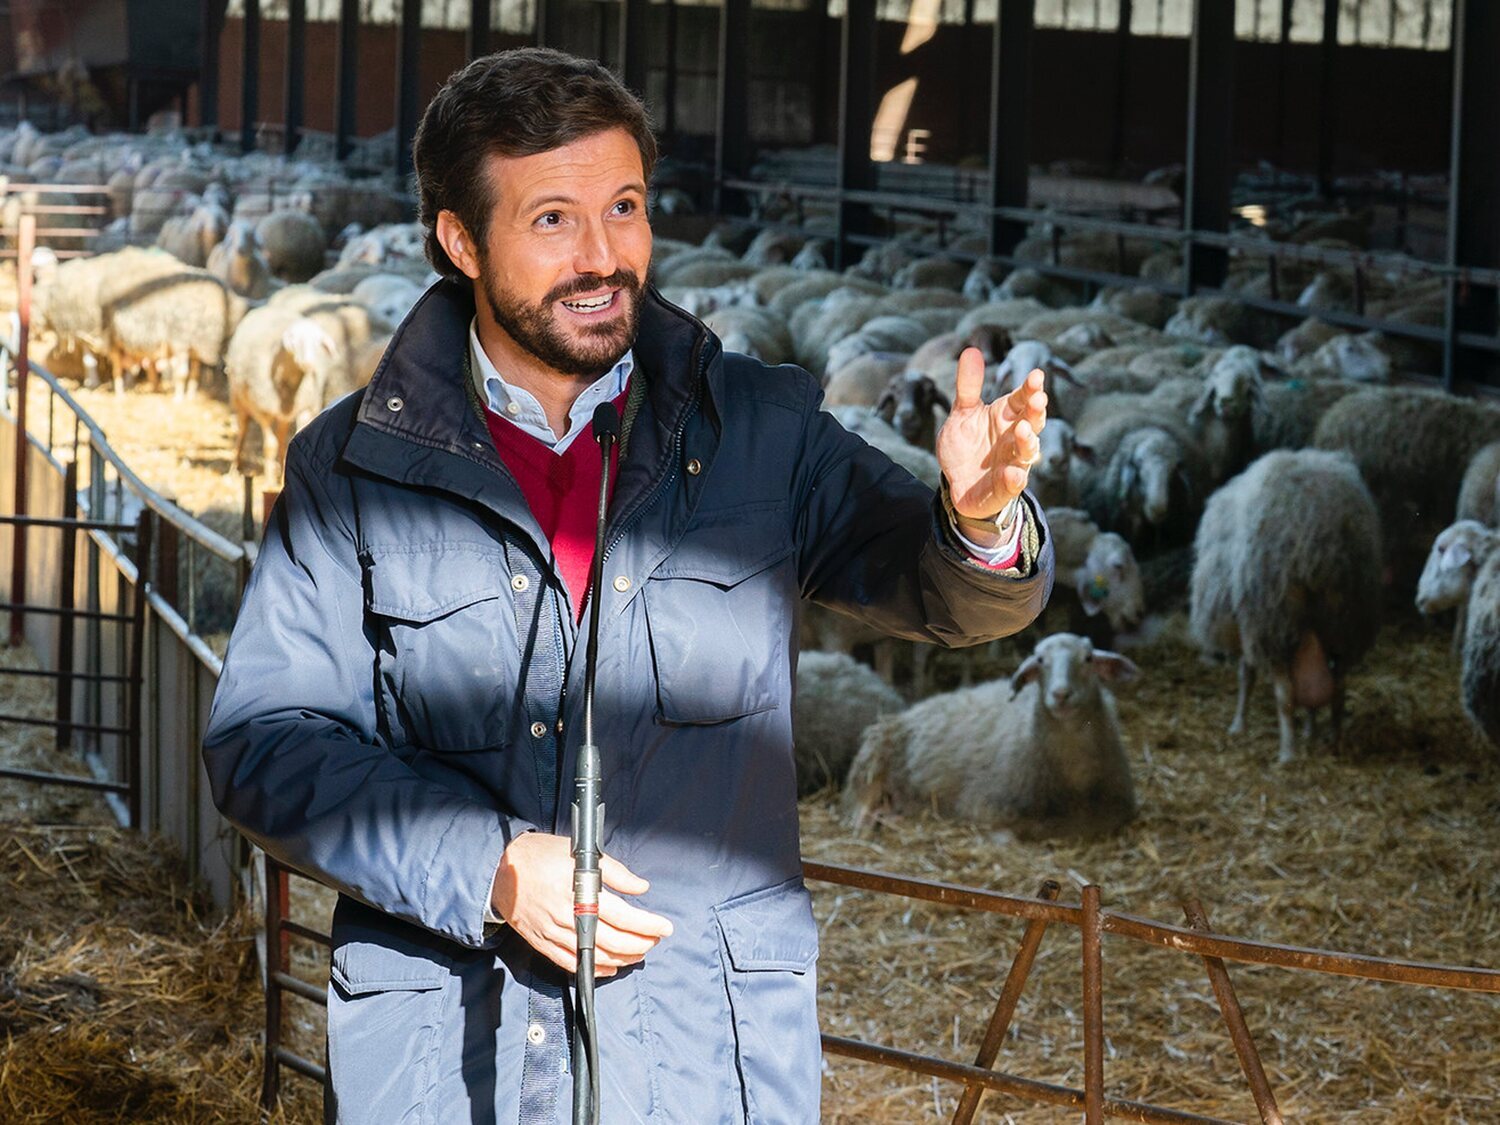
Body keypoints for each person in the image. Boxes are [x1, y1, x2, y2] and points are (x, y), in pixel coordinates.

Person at [203, 47, 1054, 1125]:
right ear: (461, 240)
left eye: (625, 207)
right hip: (449, 1061)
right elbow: (264, 744)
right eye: (553, 219)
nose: (603, 255)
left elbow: (950, 597)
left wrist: (977, 521)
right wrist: (488, 867)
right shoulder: (354, 465)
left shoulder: (759, 429)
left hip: (702, 1056)